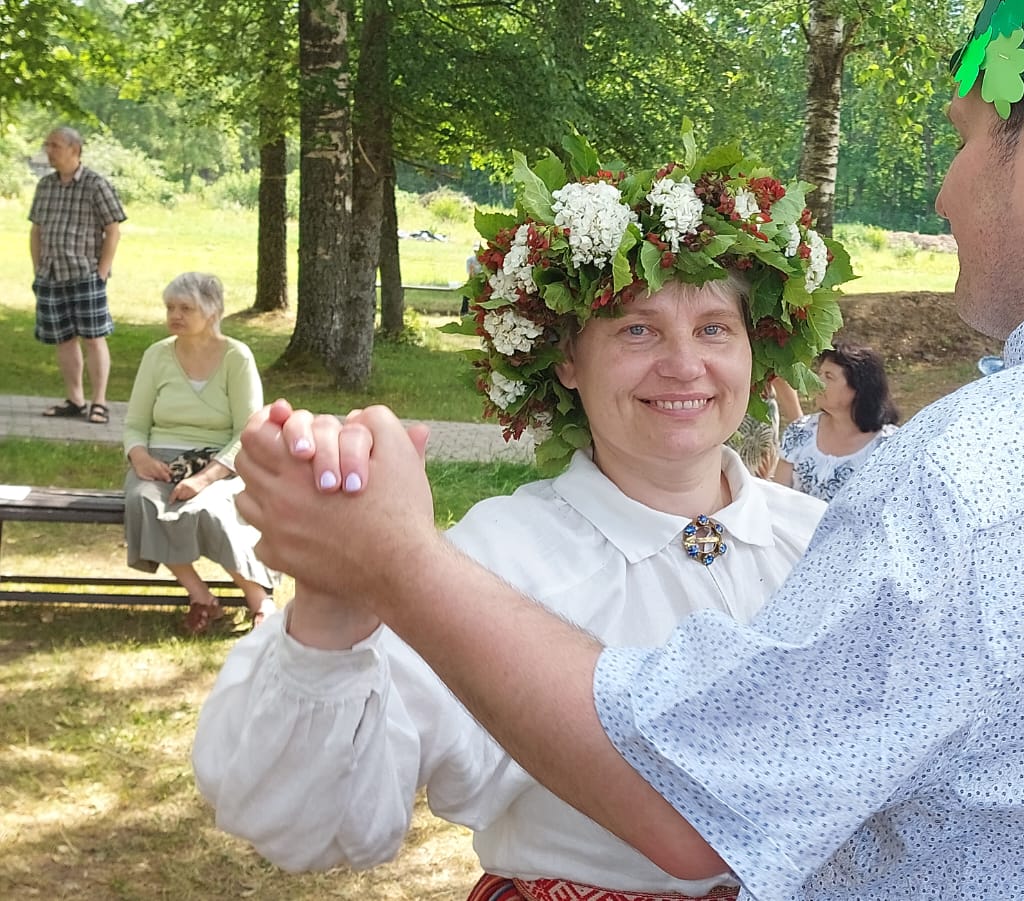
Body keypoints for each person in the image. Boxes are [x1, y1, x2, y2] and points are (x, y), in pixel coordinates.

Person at [229, 2, 1024, 896]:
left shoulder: (985, 478)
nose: (942, 192)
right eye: (634, 328)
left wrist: (397, 557)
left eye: (963, 139)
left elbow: (687, 808)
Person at [193, 142, 844, 899]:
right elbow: (307, 824)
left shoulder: (826, 539)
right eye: (637, 329)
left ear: (755, 352)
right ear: (566, 360)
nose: (683, 364)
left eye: (714, 328)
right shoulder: (498, 557)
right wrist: (338, 599)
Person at [123, 273, 278, 633]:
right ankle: (201, 597)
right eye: (170, 307)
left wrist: (205, 478)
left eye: (185, 308)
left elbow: (248, 432)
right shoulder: (156, 355)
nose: (174, 315)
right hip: (159, 461)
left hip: (220, 463)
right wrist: (140, 457)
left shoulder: (237, 357)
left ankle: (260, 601)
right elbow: (134, 423)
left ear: (212, 312)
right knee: (144, 502)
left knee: (209, 510)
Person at [31, 126, 126, 425]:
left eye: (55, 145)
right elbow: (36, 230)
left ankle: (99, 402)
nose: (49, 151)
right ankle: (75, 400)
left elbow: (113, 230)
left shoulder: (96, 185)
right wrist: (37, 269)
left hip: (85, 274)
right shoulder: (45, 185)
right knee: (63, 340)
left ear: (74, 149)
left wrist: (101, 271)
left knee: (94, 338)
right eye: (47, 145)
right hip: (51, 274)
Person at [775, 341, 899, 501]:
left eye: (829, 376)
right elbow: (777, 497)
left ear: (858, 387)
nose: (818, 382)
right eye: (820, 374)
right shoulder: (800, 432)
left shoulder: (888, 447)